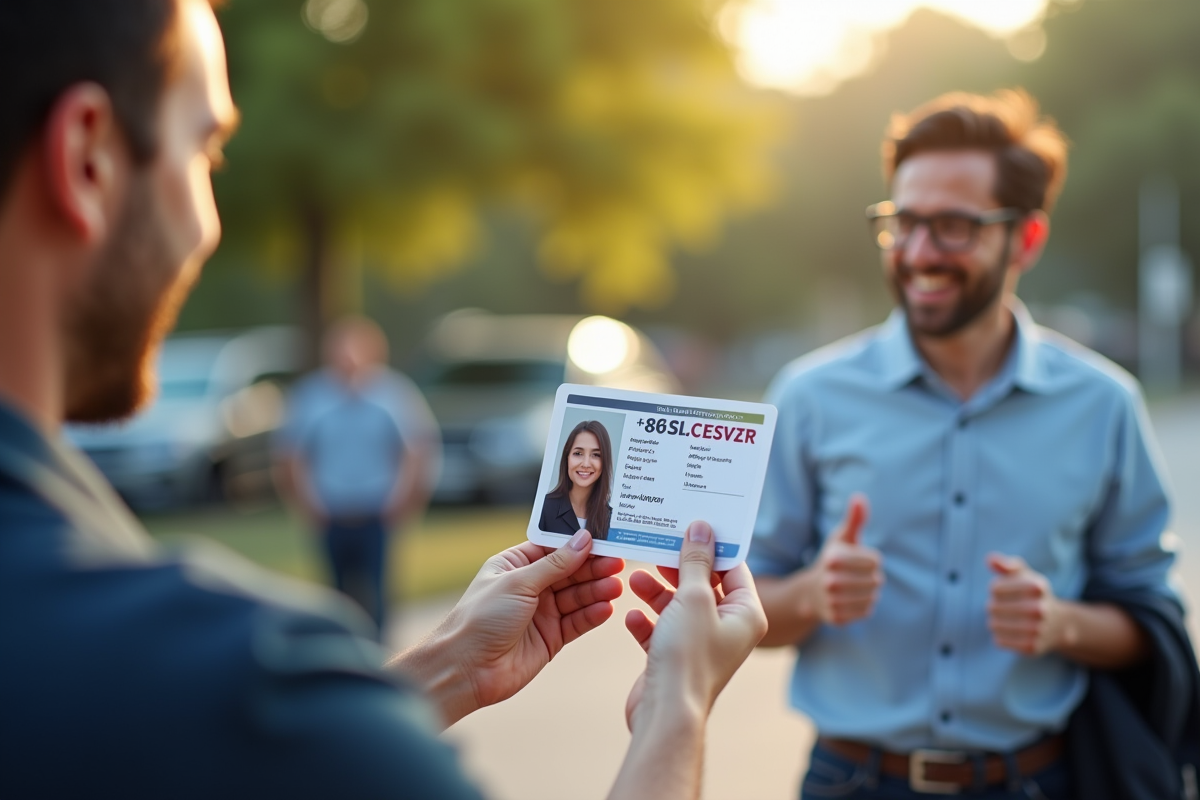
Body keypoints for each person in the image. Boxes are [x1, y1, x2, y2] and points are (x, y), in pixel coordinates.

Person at [0, 2, 768, 799]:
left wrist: (445, 669)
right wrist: (677, 699)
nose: (208, 224)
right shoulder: (223, 673)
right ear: (87, 157)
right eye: (206, 153)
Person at [749, 89, 1193, 799]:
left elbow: (1151, 619)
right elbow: (742, 607)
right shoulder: (810, 396)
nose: (920, 253)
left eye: (953, 226)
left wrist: (1061, 624)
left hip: (1041, 782)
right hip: (851, 783)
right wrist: (809, 594)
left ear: (1026, 238)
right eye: (904, 223)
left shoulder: (1103, 404)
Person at [274, 315, 439, 636]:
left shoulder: (393, 393)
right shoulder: (311, 396)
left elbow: (417, 449)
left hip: (376, 510)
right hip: (331, 511)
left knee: (379, 593)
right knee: (335, 595)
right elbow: (291, 455)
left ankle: (380, 660)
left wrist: (403, 499)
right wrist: (307, 503)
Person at [540, 419, 613, 540]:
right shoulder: (544, 508)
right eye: (578, 453)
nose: (585, 464)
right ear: (567, 457)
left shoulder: (611, 518)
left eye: (596, 455)